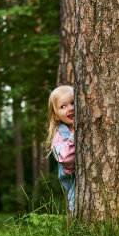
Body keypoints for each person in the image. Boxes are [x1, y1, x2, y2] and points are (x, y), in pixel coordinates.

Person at [45, 85, 76, 213]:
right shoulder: (59, 137)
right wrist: (74, 136)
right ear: (56, 115)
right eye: (63, 107)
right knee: (78, 203)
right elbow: (65, 157)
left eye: (73, 103)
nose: (70, 108)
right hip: (74, 180)